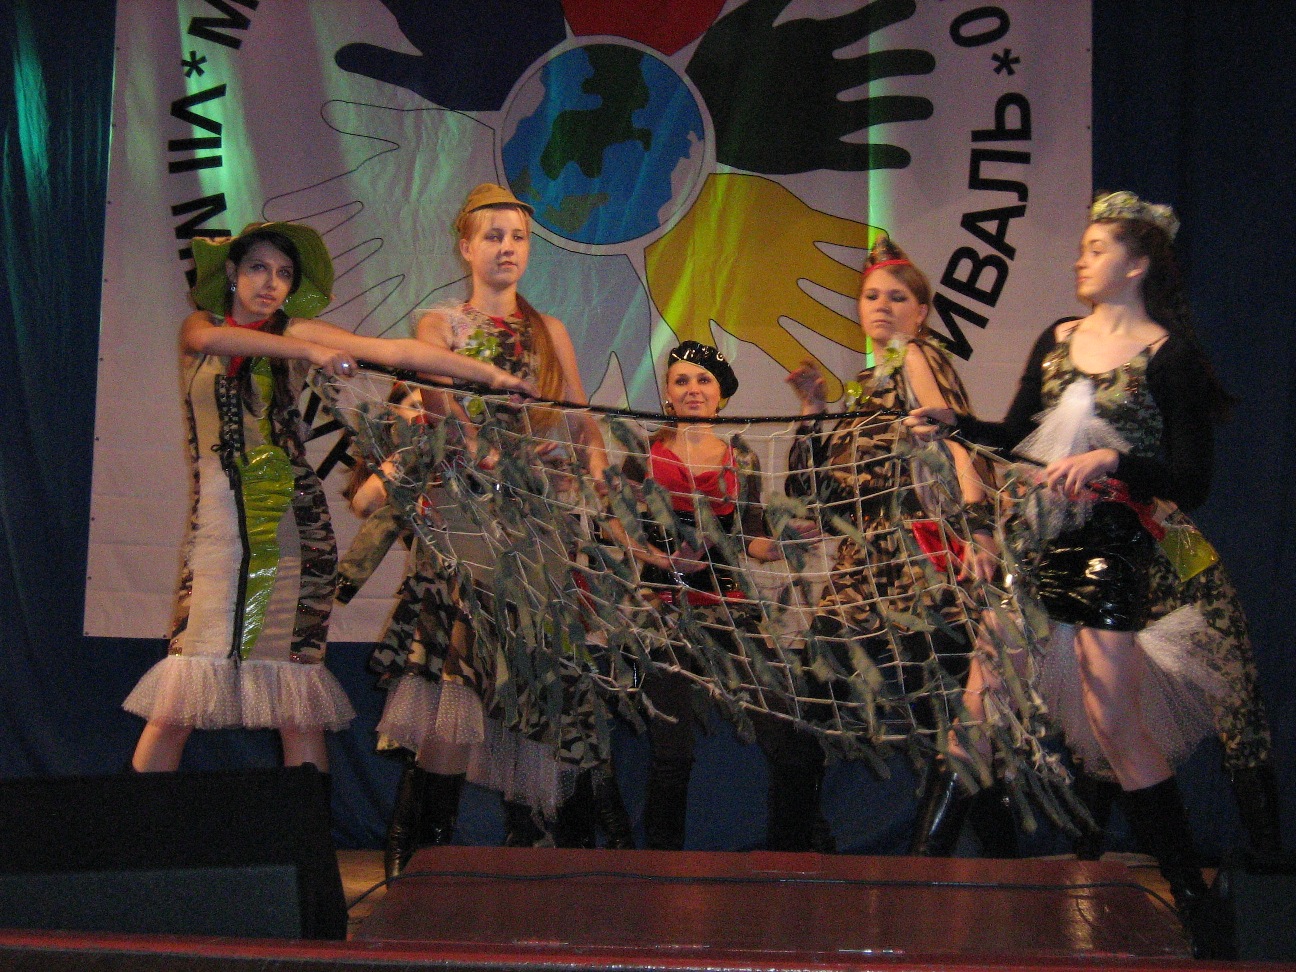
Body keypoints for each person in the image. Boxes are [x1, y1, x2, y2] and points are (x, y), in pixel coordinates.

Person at [910, 191, 1253, 953]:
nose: (1081, 258)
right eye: (1083, 247)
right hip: (1035, 539)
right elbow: (1015, 435)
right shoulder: (1057, 338)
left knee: (1116, 725)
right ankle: (915, 879)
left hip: (1109, 545)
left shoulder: (1169, 357)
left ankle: (1193, 900)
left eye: (1097, 248)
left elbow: (1191, 480)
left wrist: (1112, 459)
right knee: (978, 705)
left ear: (1136, 264)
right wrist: (955, 425)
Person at [124, 222, 532, 776]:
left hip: (294, 528)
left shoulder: (295, 330)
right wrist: (312, 351)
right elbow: (212, 343)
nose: (271, 283)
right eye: (258, 268)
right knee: (178, 701)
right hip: (221, 530)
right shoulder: (205, 325)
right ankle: (140, 827)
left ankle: (309, 830)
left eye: (284, 274)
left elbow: (396, 350)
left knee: (296, 701)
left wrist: (490, 375)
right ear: (232, 273)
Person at [371, 184, 632, 861]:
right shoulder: (439, 326)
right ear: (465, 247)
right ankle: (418, 854)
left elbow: (581, 422)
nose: (507, 247)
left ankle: (529, 863)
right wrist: (490, 453)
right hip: (465, 529)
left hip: (535, 533)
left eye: (517, 237)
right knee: (455, 687)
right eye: (493, 235)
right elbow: (437, 402)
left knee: (532, 688)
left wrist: (594, 473)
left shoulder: (550, 332)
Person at [786, 236, 1008, 856]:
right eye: (871, 296)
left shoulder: (915, 356)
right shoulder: (865, 387)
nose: (881, 306)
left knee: (957, 724)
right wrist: (812, 410)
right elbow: (816, 496)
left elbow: (960, 445)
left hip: (918, 576)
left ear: (922, 311)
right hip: (862, 576)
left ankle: (998, 862)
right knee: (814, 706)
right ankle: (798, 851)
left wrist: (979, 528)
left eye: (897, 297)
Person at [624, 340, 829, 851]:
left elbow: (751, 539)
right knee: (672, 753)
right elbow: (616, 526)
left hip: (729, 610)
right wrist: (662, 561)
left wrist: (780, 546)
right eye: (682, 380)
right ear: (668, 394)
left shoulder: (742, 457)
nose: (693, 389)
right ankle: (660, 868)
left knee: (786, 735)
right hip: (662, 612)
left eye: (704, 380)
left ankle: (792, 855)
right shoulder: (642, 452)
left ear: (721, 396)